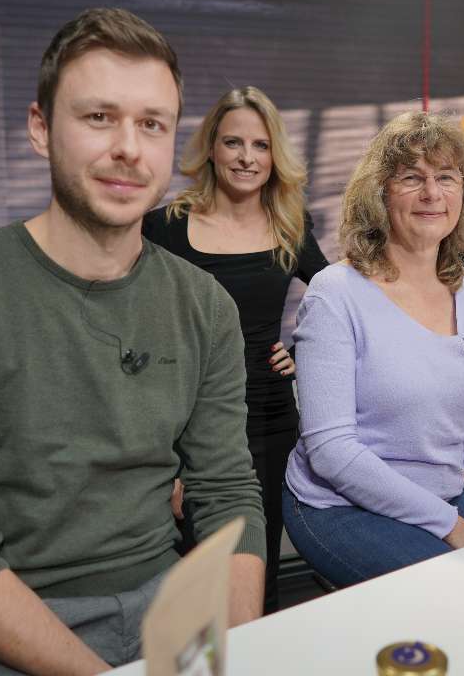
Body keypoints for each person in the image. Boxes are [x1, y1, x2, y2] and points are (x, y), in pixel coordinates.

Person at [0, 8, 266, 675]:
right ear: (40, 128)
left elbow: (227, 494)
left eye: (152, 124)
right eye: (98, 117)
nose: (129, 148)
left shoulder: (204, 306)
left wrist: (238, 655)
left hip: (166, 605)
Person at [281, 111, 464, 589]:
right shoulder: (335, 293)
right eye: (411, 178)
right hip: (343, 504)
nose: (431, 193)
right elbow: (332, 452)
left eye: (446, 177)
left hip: (447, 493)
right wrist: (453, 527)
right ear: (380, 193)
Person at [143, 86, 327, 612]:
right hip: (186, 421)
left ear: (275, 155)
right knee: (187, 579)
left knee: (255, 573)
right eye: (233, 143)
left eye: (261, 145)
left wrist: (304, 352)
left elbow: (339, 300)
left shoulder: (291, 225)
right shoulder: (164, 227)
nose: (247, 157)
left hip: (267, 418)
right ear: (211, 148)